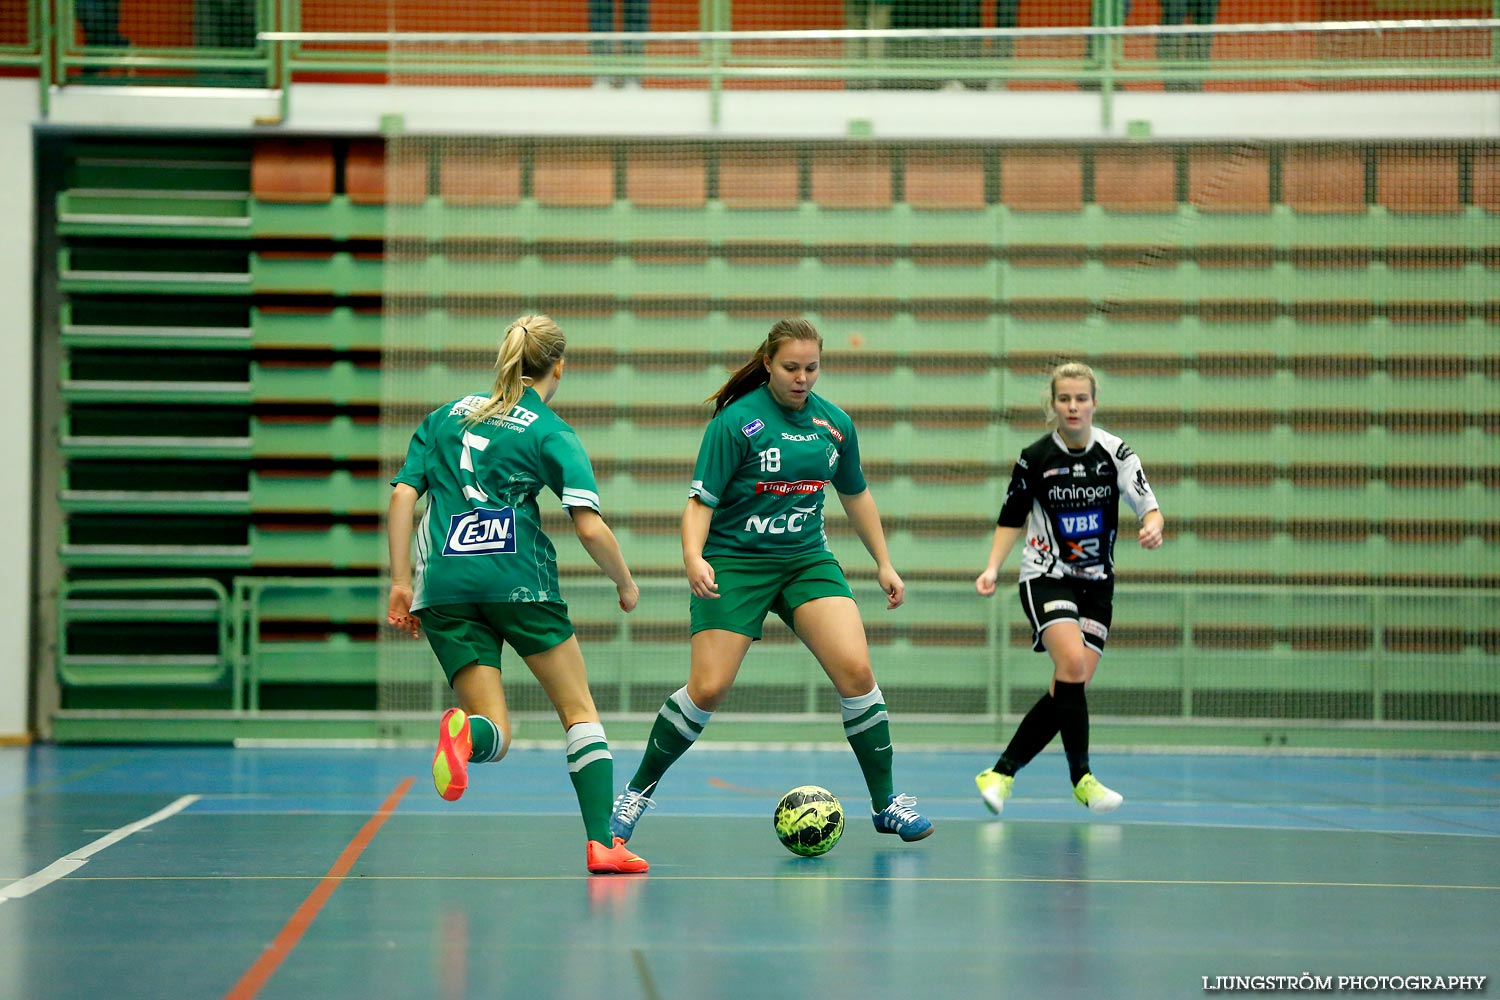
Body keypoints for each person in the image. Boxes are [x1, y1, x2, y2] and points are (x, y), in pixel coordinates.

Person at [608, 318, 935, 846]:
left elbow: (856, 495)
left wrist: (884, 562)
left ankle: (886, 804)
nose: (802, 377)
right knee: (708, 688)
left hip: (806, 560)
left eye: (811, 367)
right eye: (791, 367)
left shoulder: (835, 426)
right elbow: (699, 503)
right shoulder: (737, 424)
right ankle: (635, 793)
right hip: (735, 563)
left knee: (856, 670)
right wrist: (693, 556)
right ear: (767, 364)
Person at [386, 314, 649, 875]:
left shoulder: (442, 419)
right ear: (559, 366)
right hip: (518, 581)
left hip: (444, 590)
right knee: (579, 713)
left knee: (497, 733)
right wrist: (624, 582)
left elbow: (404, 496)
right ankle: (603, 844)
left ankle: (466, 734)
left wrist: (401, 581)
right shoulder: (549, 431)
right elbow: (589, 527)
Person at [972, 361, 1164, 816]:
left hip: (1097, 585)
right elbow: (1011, 518)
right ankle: (1083, 779)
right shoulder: (1035, 457)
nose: (1073, 406)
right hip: (1046, 576)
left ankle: (1000, 773)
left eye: (1081, 398)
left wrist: (1152, 526)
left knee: (1068, 686)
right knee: (1073, 663)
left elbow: (1149, 507)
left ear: (1094, 402)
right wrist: (992, 567)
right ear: (1053, 404)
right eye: (1064, 399)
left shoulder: (1117, 454)